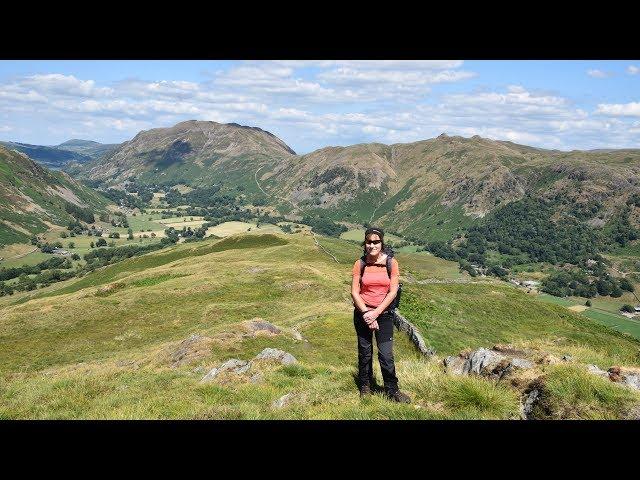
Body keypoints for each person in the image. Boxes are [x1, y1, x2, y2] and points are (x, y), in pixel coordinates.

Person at [351, 226, 411, 403]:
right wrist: (367, 314)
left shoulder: (391, 263)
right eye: (369, 242)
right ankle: (365, 386)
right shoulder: (359, 264)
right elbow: (355, 292)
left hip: (383, 314)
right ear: (365, 243)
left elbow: (392, 292)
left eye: (376, 242)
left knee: (386, 354)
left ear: (382, 243)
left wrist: (376, 313)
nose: (372, 245)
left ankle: (392, 390)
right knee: (365, 352)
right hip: (363, 313)